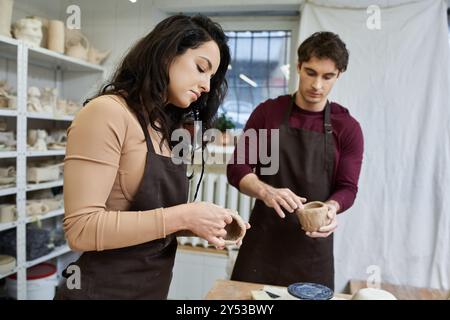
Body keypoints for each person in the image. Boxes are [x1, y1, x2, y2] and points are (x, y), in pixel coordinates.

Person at [55, 14, 239, 300]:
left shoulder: (166, 128)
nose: (206, 85)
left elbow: (152, 222)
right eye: (201, 68)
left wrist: (199, 222)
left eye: (211, 78)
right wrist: (183, 215)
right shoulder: (107, 113)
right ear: (167, 53)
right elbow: (80, 230)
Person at [227, 31, 364, 290]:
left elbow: (348, 187)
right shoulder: (268, 113)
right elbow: (238, 168)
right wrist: (265, 191)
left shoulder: (347, 127)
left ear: (339, 75)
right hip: (263, 244)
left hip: (312, 250)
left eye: (327, 76)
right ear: (299, 66)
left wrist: (332, 208)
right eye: (311, 72)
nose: (317, 85)